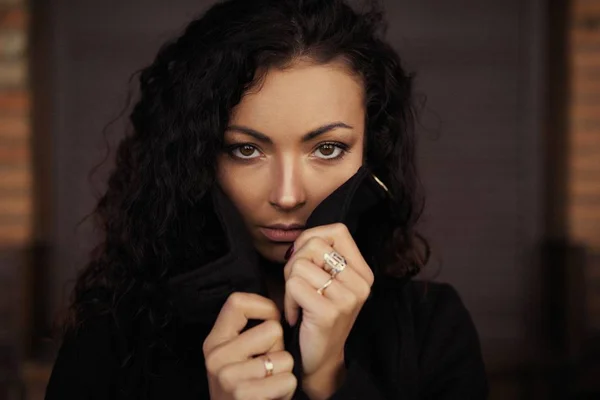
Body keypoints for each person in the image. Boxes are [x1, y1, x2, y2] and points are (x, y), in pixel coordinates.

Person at [45, 0, 488, 399]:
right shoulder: (110, 336)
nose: (288, 195)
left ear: (373, 152)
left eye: (327, 149)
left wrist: (328, 380)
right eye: (246, 150)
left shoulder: (433, 328)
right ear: (196, 158)